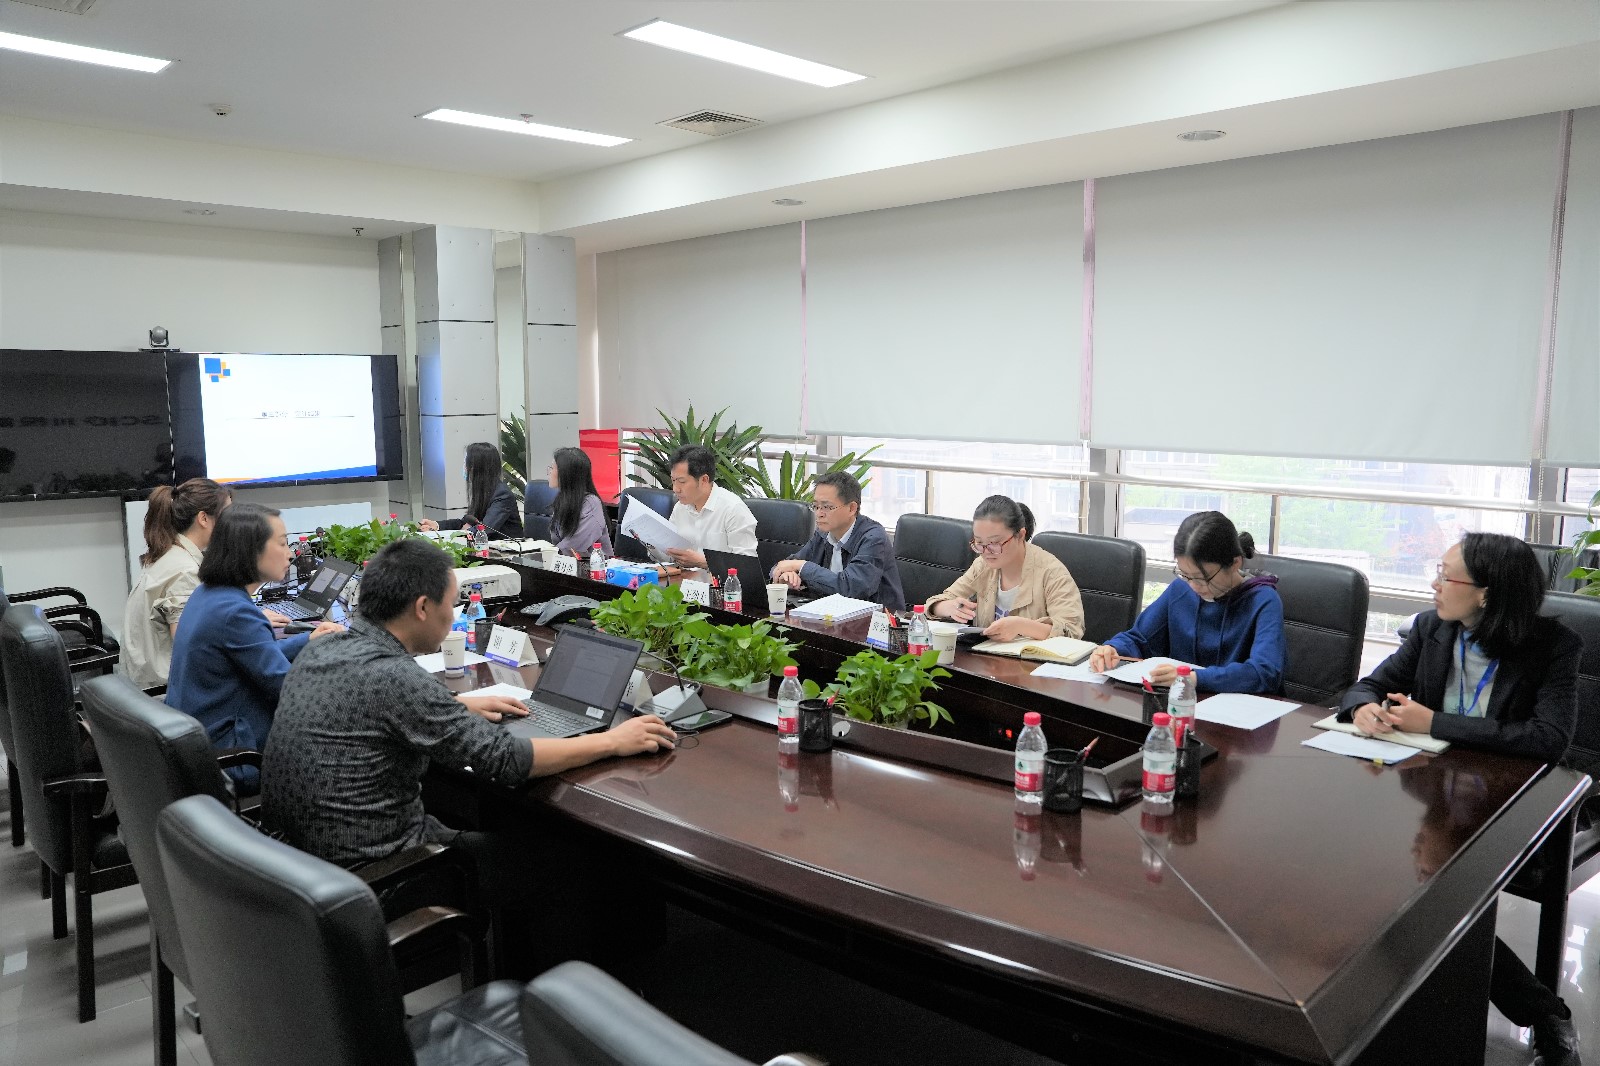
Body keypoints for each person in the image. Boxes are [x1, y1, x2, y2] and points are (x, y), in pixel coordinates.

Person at [261, 537, 676, 868]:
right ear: (423, 608)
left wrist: (456, 709)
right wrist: (613, 741)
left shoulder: (323, 648)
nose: (454, 612)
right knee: (570, 858)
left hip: (301, 862)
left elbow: (371, 711)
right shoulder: (395, 676)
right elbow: (506, 760)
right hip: (381, 869)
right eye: (452, 602)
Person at [1339, 532, 1582, 1066]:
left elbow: (1549, 739)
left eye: (1445, 575)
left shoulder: (1552, 646)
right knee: (1365, 866)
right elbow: (1368, 685)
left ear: (1486, 594)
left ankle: (1540, 1015)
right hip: (1434, 798)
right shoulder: (1433, 629)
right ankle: (1531, 1011)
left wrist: (1436, 723)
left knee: (1428, 894)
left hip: (1513, 807)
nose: (1434, 584)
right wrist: (1362, 709)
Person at [165, 502, 342, 793]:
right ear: (251, 550)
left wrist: (307, 641)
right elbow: (289, 691)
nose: (289, 554)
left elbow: (253, 656)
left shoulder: (208, 594)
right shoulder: (236, 612)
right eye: (282, 543)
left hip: (200, 743)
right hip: (235, 756)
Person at [1088, 511, 1283, 693]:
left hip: (1239, 710)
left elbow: (1265, 671)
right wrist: (1112, 649)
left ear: (1234, 563)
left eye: (1203, 577)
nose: (1194, 586)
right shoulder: (1181, 590)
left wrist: (1192, 678)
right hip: (1179, 703)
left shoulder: (1263, 600)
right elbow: (1140, 638)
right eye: (1186, 575)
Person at [118, 478, 233, 690]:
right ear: (203, 519)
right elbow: (190, 649)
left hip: (139, 687)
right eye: (228, 515)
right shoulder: (185, 571)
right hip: (163, 692)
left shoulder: (169, 553)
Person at [925, 496, 1085, 641]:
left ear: (1020, 535)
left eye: (995, 543)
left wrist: (1021, 626)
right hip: (986, 658)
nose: (986, 552)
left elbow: (1071, 631)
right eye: (979, 543)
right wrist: (946, 607)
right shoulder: (982, 566)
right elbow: (934, 603)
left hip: (1033, 662)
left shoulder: (1052, 573)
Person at [770, 471, 905, 611]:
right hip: (831, 615)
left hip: (876, 620)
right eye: (815, 506)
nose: (819, 514)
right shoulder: (823, 534)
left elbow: (851, 588)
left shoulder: (873, 538)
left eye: (827, 507)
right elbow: (784, 565)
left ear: (852, 508)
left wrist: (802, 567)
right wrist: (786, 575)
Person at [652, 444, 757, 570]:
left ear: (704, 480)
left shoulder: (733, 509)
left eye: (682, 482)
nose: (676, 489)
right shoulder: (680, 507)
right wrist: (651, 541)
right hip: (684, 579)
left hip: (719, 582)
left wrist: (703, 562)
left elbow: (747, 564)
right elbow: (669, 557)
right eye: (673, 480)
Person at [419, 441, 523, 540]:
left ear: (478, 468)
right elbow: (466, 522)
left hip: (507, 550)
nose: (465, 467)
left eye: (466, 463)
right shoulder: (483, 491)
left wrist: (449, 536)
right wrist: (436, 526)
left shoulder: (502, 495)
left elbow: (484, 529)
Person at [546, 446, 612, 556]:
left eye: (552, 468)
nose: (549, 472)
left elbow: (573, 547)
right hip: (566, 563)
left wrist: (547, 554)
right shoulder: (562, 500)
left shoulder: (591, 503)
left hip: (593, 565)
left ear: (566, 474)